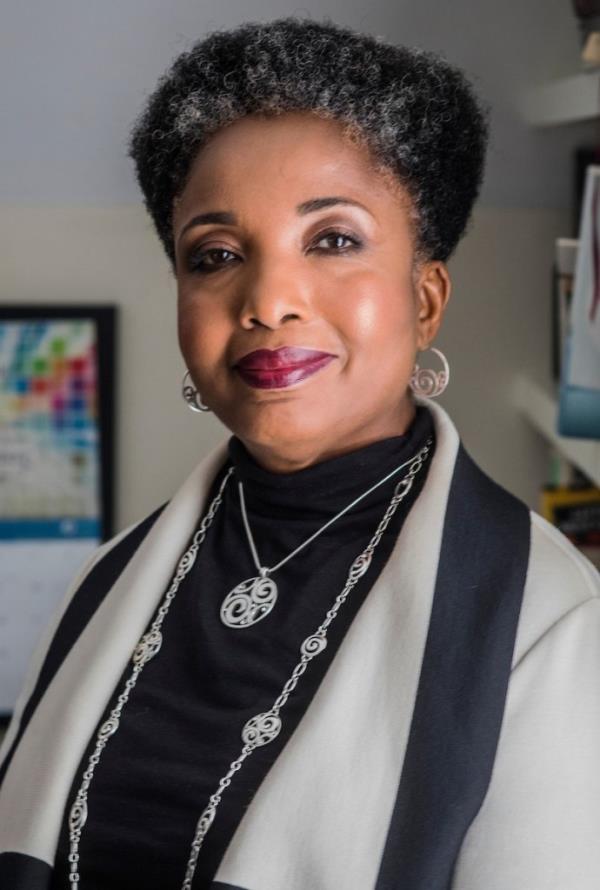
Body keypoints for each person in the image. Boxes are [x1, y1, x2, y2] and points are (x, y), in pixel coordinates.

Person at [1, 15, 599, 890]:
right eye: (215, 254)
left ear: (425, 299)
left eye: (333, 240)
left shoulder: (544, 623)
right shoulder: (108, 583)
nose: (268, 299)